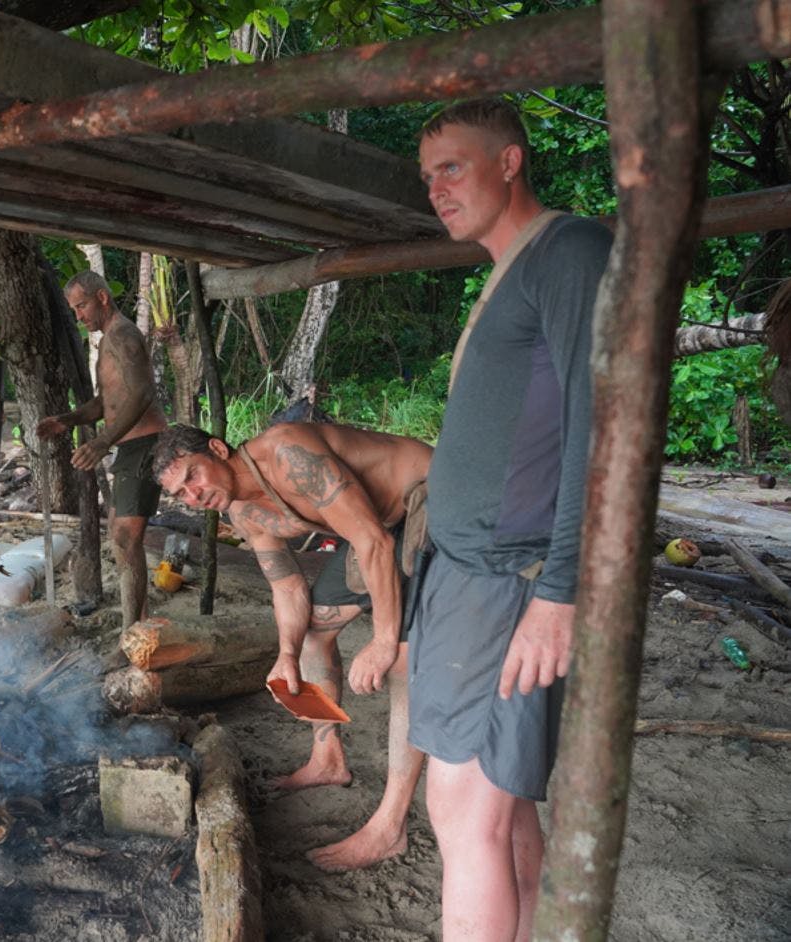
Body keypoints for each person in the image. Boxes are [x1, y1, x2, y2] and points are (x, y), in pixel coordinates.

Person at [411, 98, 610, 938]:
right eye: (427, 177)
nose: (435, 190)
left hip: (506, 581)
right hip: (467, 576)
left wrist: (559, 591)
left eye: (451, 168)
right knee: (497, 809)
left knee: (464, 812)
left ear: (508, 161)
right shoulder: (511, 267)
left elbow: (603, 428)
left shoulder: (569, 251)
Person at [152, 421, 432, 871]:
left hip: (429, 502)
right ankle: (327, 759)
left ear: (218, 449)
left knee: (400, 657)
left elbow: (373, 543)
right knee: (311, 633)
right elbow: (287, 588)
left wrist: (382, 640)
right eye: (181, 494)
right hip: (379, 529)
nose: (194, 496)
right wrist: (286, 654)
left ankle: (390, 828)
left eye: (193, 476)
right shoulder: (242, 514)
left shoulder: (287, 452)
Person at [37, 270, 167, 629]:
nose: (79, 316)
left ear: (102, 298)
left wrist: (102, 441)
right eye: (74, 310)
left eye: (81, 306)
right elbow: (104, 403)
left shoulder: (124, 334)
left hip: (144, 444)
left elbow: (143, 393)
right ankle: (140, 623)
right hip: (129, 446)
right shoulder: (108, 339)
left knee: (126, 539)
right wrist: (67, 419)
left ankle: (133, 632)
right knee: (120, 537)